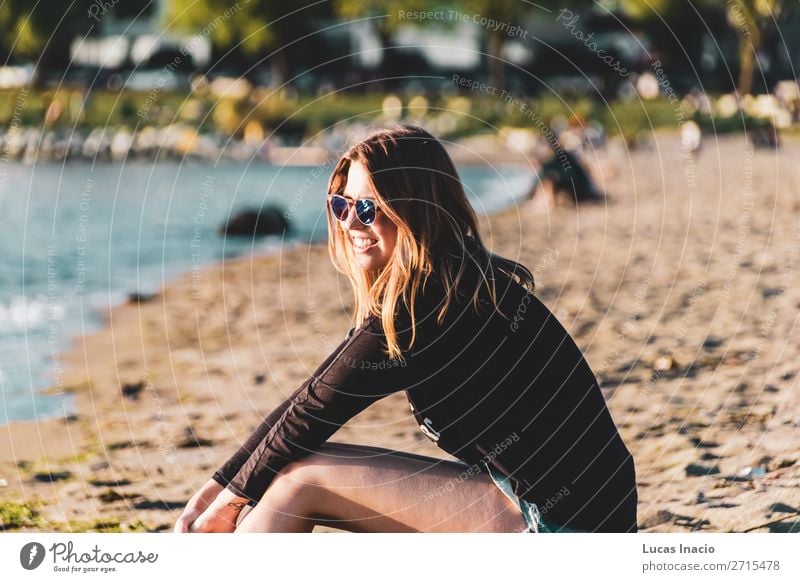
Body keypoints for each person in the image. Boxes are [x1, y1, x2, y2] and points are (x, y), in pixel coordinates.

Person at [174, 125, 637, 533]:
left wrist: (225, 506)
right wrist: (214, 490)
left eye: (370, 209)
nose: (351, 223)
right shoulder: (456, 280)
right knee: (292, 470)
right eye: (341, 205)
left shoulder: (427, 305)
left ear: (415, 209)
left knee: (300, 481)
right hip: (569, 513)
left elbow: (311, 415)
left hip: (562, 528)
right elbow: (307, 398)